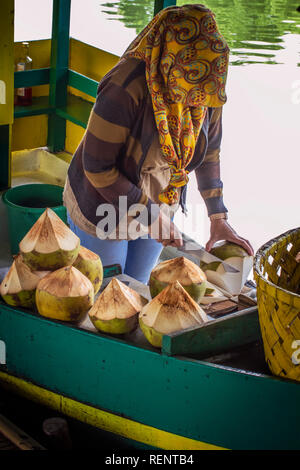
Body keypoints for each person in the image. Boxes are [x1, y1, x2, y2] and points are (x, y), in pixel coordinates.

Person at [63, 4, 254, 284]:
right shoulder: (125, 87)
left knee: (138, 287)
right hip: (104, 204)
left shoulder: (206, 86)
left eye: (206, 85)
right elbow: (97, 167)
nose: (196, 98)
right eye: (190, 83)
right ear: (169, 60)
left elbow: (209, 153)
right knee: (105, 292)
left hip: (160, 202)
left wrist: (218, 217)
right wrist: (149, 213)